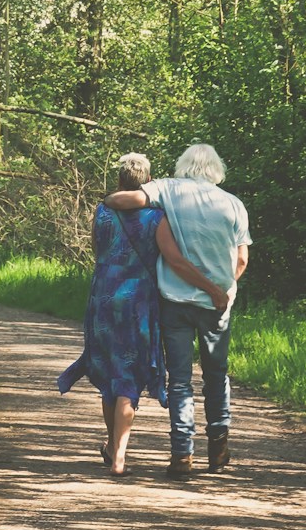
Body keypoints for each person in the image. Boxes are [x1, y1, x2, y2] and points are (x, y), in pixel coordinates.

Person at [58, 154, 226, 476]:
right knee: (128, 376)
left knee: (111, 373)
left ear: (120, 180)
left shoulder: (102, 211)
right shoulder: (156, 217)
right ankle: (118, 456)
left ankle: (112, 447)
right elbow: (173, 259)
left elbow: (98, 249)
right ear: (148, 182)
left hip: (102, 296)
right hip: (138, 301)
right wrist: (209, 286)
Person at [104, 144, 249, 479]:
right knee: (216, 375)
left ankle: (182, 456)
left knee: (180, 381)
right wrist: (221, 290)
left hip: (175, 301)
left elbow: (124, 201)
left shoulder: (167, 188)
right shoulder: (233, 204)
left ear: (184, 165)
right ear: (216, 168)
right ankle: (218, 448)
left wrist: (109, 199)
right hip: (217, 305)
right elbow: (242, 258)